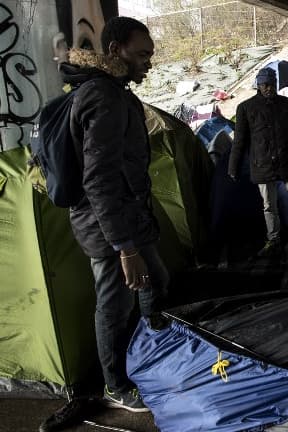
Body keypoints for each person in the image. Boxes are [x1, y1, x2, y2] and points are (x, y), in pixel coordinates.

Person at [60, 16, 168, 412]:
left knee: (155, 282)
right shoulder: (102, 97)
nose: (148, 64)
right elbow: (99, 180)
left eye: (150, 56)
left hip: (130, 219)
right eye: (141, 55)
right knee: (114, 304)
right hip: (109, 228)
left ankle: (153, 352)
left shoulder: (117, 92)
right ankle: (115, 385)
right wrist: (124, 247)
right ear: (114, 50)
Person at [228, 67, 288, 257]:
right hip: (262, 165)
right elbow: (240, 141)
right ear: (258, 86)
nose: (268, 88)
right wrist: (233, 167)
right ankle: (274, 240)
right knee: (269, 206)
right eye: (264, 85)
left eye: (271, 84)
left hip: (287, 163)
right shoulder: (245, 108)